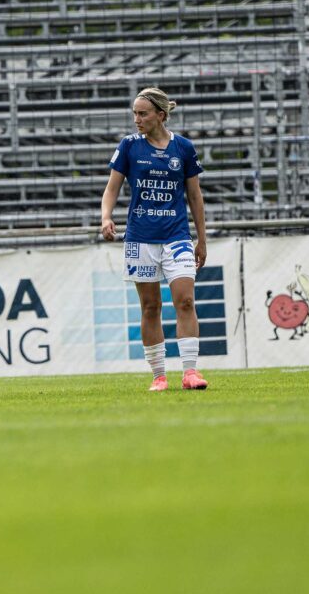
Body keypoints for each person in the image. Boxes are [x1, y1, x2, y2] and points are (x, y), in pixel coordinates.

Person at [100, 87, 209, 392]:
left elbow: (195, 196)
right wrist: (106, 217)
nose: (137, 119)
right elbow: (111, 188)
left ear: (160, 115)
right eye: (134, 113)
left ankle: (190, 372)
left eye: (142, 113)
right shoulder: (129, 146)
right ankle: (159, 376)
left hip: (177, 236)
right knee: (150, 307)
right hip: (141, 238)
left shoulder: (183, 148)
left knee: (185, 301)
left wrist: (201, 239)